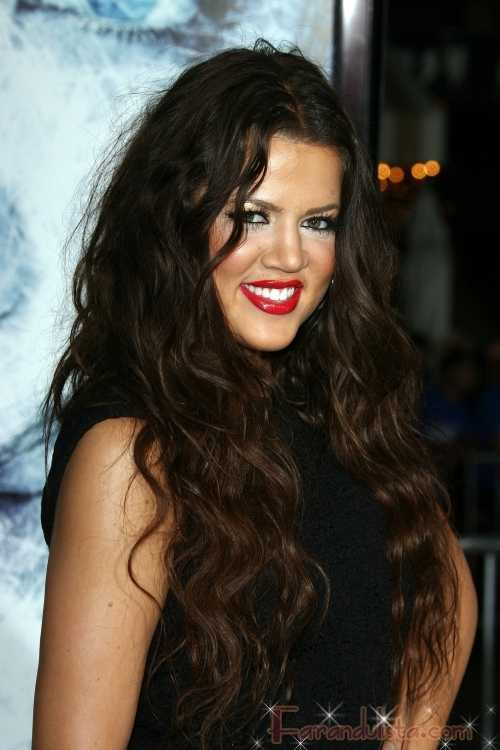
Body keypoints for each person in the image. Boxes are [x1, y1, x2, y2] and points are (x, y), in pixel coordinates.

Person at [32, 39, 478, 750]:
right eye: (253, 214)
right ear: (180, 219)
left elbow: (444, 585)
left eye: (318, 222)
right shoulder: (132, 453)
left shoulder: (343, 419)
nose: (290, 256)